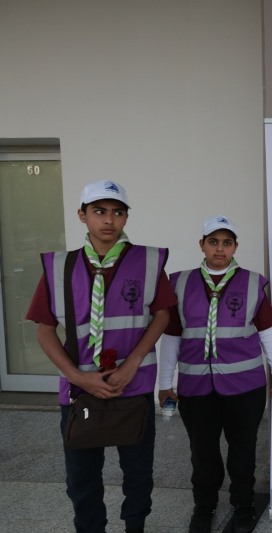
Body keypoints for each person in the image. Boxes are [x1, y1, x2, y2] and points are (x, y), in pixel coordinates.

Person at [26, 180, 176, 533]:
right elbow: (44, 330)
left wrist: (133, 363)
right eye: (99, 211)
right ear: (82, 215)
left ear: (126, 217)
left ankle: (135, 526)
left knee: (138, 473)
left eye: (117, 212)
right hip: (79, 391)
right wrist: (78, 376)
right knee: (81, 477)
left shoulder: (148, 261)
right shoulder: (59, 267)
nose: (109, 220)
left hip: (132, 387)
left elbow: (162, 315)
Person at [158, 215, 272, 533]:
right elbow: (171, 335)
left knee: (243, 450)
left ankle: (243, 504)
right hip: (196, 386)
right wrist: (165, 383)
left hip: (245, 386)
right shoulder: (179, 283)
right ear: (202, 245)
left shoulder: (253, 283)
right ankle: (204, 506)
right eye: (213, 242)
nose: (220, 248)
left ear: (235, 247)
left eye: (227, 243)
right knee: (202, 452)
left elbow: (267, 330)